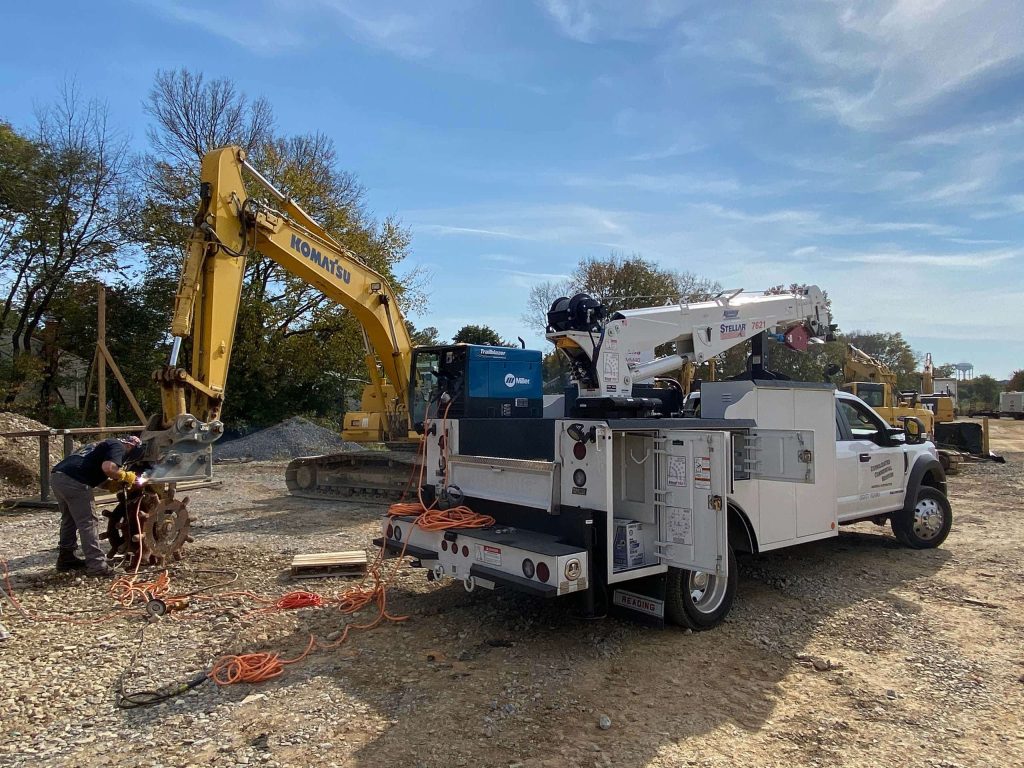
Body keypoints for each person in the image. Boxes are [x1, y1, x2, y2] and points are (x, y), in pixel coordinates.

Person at [50, 435, 145, 576]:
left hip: (58, 477)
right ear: (130, 447)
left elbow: (91, 470)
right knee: (88, 522)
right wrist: (125, 476)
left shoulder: (102, 444)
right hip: (74, 481)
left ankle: (66, 558)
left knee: (69, 519)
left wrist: (111, 485)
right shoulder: (119, 446)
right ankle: (97, 565)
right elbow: (108, 468)